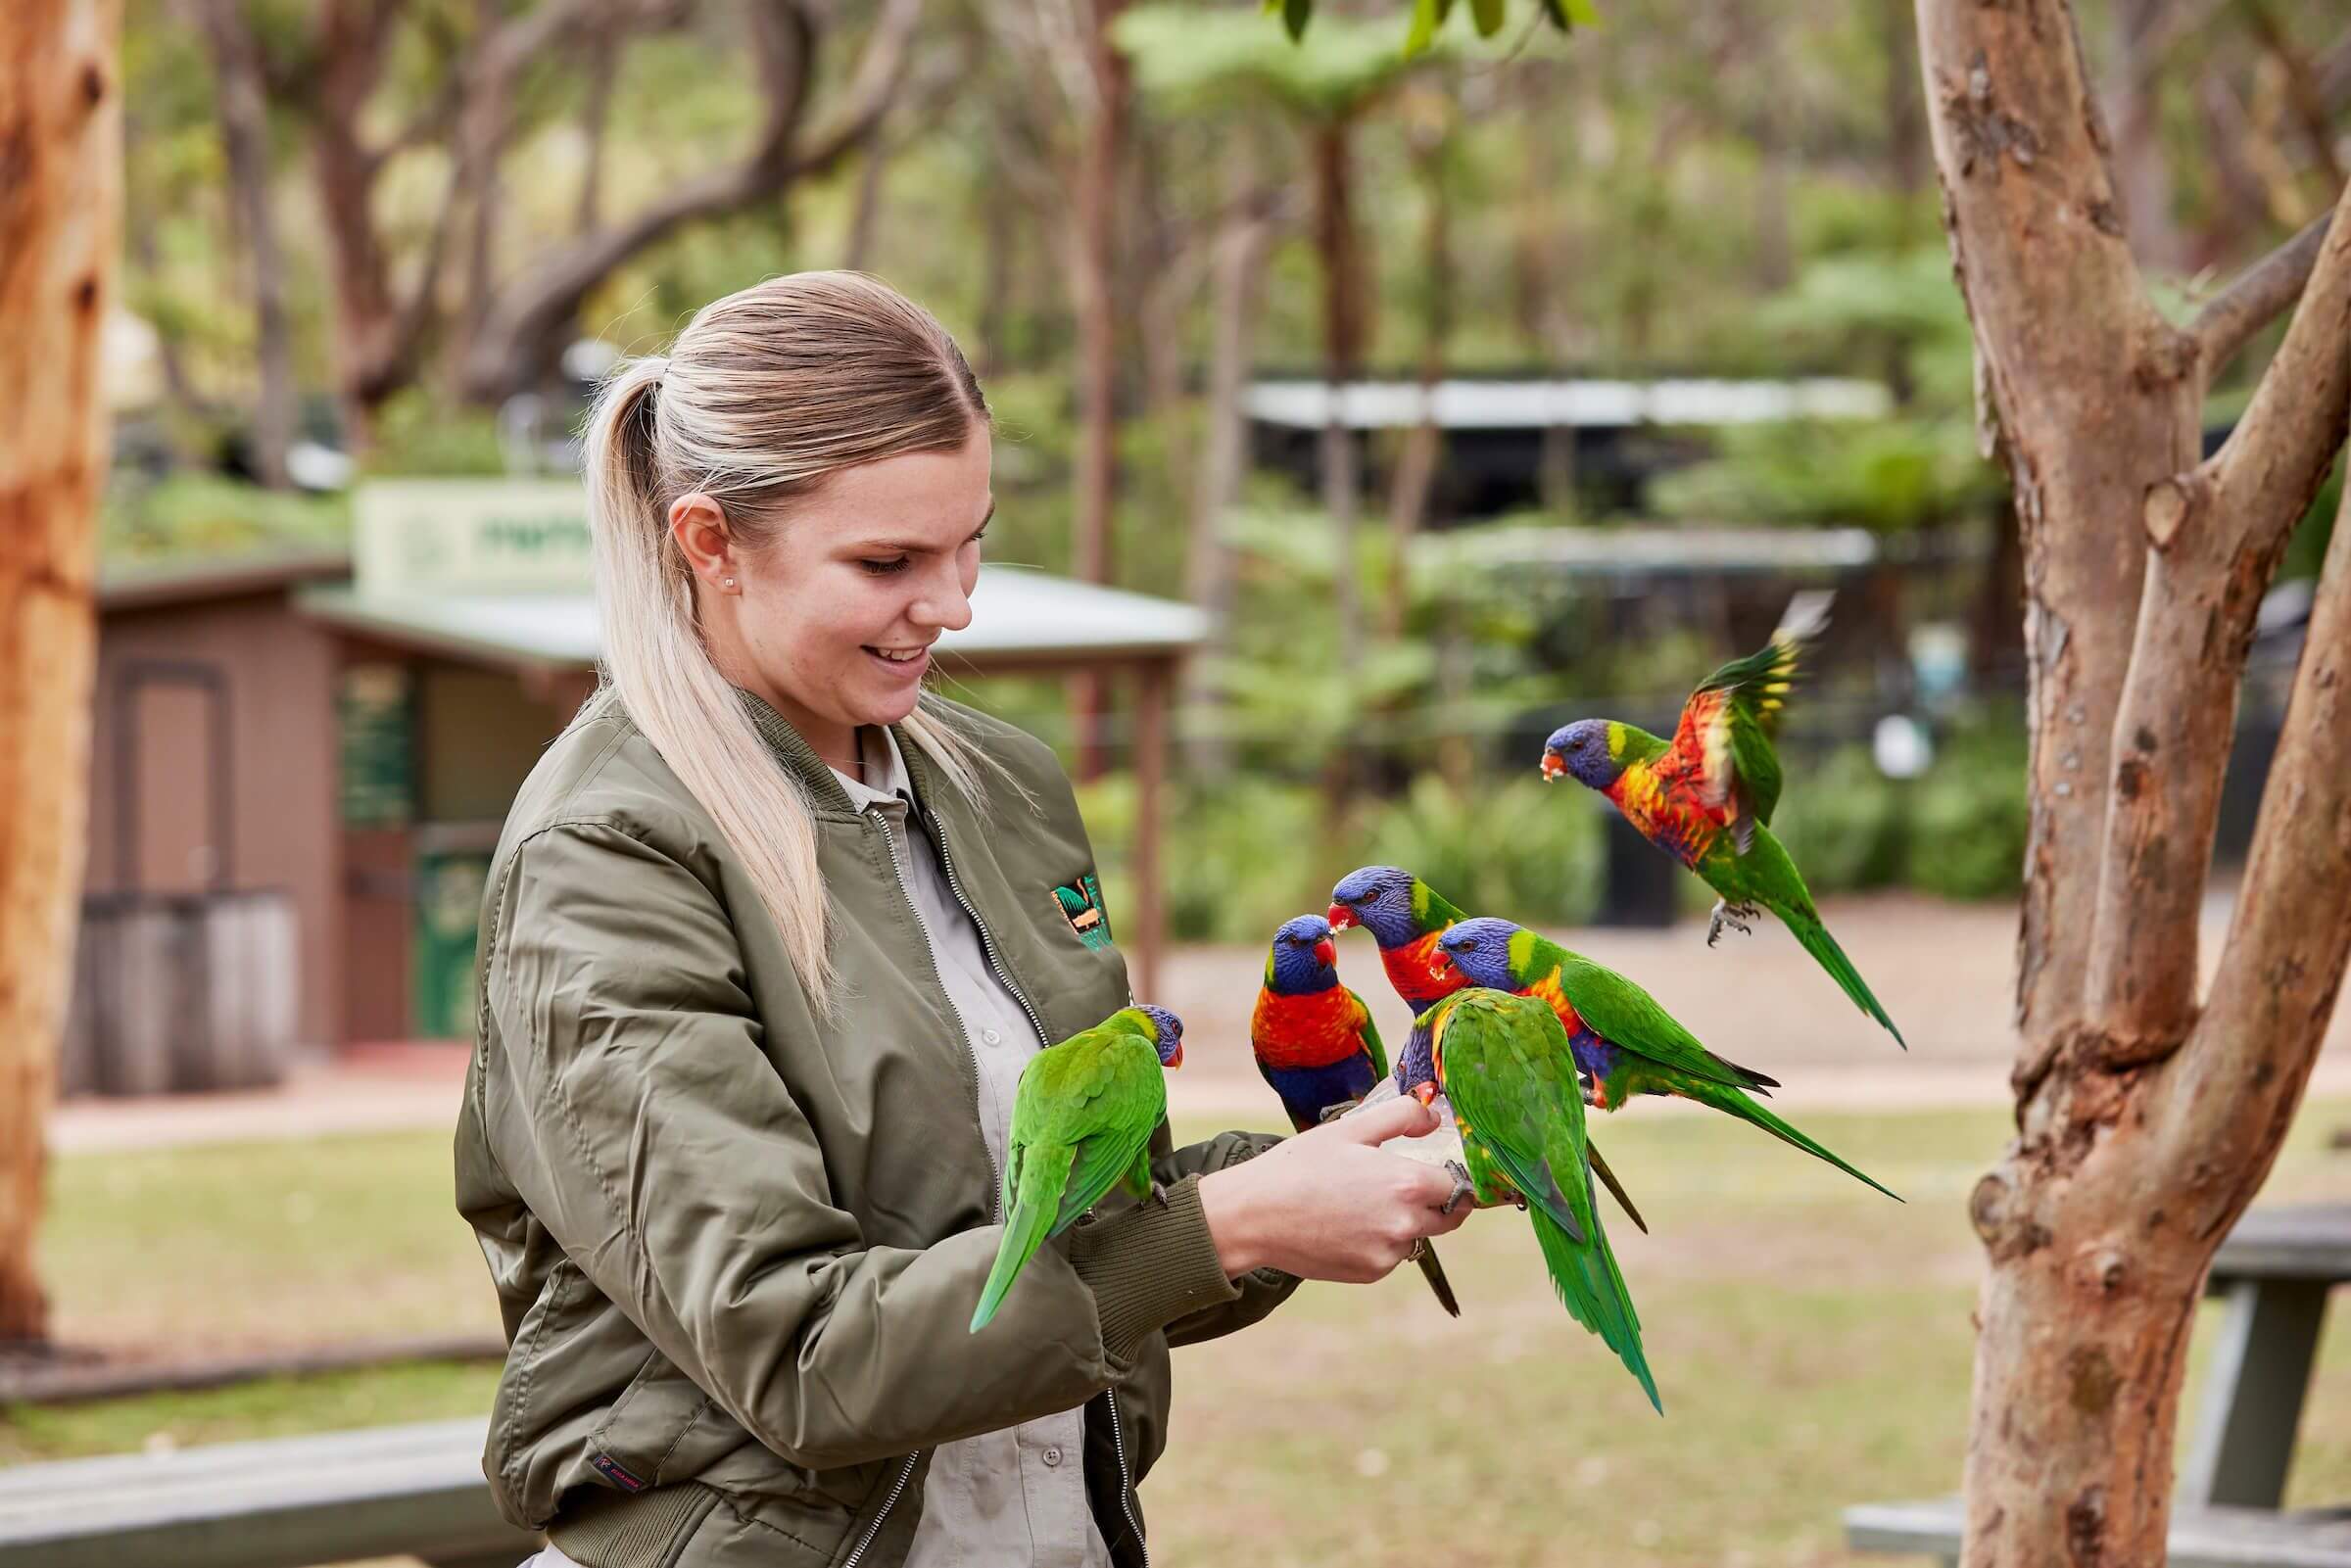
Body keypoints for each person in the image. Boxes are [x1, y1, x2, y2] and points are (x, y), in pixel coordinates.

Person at [455, 271, 1472, 1568]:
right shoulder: (607, 853)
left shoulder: (1000, 788)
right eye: (887, 562)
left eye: (970, 540)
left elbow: (1088, 1232)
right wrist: (1235, 1226)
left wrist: (1347, 1167)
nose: (954, 604)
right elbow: (801, 1353)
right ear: (708, 540)